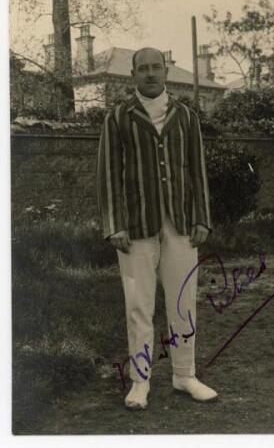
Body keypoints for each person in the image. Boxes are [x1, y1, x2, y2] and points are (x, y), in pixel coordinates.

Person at [97, 47, 218, 410]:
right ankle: (140, 380)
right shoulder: (118, 117)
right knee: (139, 305)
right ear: (133, 75)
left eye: (156, 67)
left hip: (181, 223)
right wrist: (114, 224)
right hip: (136, 225)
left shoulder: (187, 117)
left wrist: (202, 218)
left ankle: (185, 375)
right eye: (143, 69)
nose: (150, 74)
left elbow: (198, 171)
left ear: (166, 71)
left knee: (183, 302)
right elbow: (107, 175)